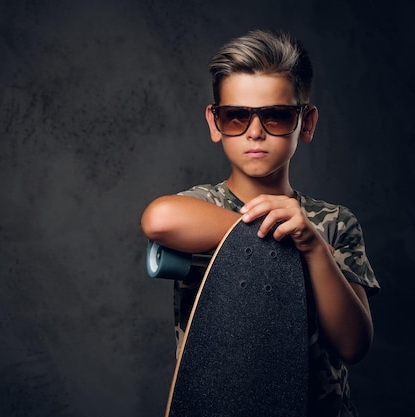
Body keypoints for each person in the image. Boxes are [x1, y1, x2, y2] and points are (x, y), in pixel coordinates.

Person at [140, 29, 380, 416]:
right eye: (235, 116)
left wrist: (315, 245)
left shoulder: (333, 223)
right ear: (215, 122)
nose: (255, 132)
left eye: (277, 115)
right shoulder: (203, 205)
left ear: (307, 122)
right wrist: (289, 242)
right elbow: (159, 218)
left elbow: (354, 344)